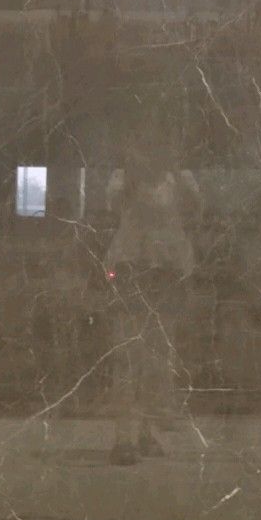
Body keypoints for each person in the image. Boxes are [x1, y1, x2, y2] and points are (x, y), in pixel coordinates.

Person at [105, 141, 200, 465]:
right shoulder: (123, 179)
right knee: (128, 355)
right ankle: (123, 437)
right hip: (131, 271)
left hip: (167, 274)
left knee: (158, 357)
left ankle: (146, 432)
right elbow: (115, 206)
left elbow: (194, 213)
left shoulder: (181, 179)